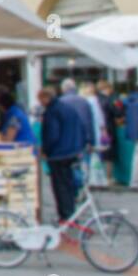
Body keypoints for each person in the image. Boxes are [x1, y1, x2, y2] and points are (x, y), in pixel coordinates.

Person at [40, 85, 88, 222]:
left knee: (60, 186)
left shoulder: (52, 111)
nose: (40, 103)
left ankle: (66, 215)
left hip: (58, 154)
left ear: (46, 97)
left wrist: (46, 150)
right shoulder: (68, 108)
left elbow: (52, 134)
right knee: (68, 184)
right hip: (71, 151)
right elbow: (81, 127)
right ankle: (71, 213)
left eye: (41, 99)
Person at [95, 79, 120, 169]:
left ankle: (101, 176)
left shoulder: (95, 99)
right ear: (106, 88)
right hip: (108, 128)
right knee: (108, 154)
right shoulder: (108, 100)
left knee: (101, 152)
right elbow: (117, 112)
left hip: (99, 129)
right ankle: (109, 177)